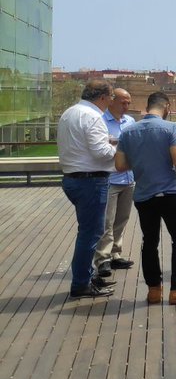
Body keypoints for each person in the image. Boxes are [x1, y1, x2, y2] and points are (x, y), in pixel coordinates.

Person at [114, 91, 176, 306]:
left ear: (148, 107)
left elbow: (120, 165)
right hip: (168, 193)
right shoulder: (171, 128)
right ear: (166, 107)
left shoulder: (128, 131)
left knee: (149, 242)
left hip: (143, 195)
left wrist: (141, 160)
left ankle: (154, 290)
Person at [57, 79, 118, 298]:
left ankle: (86, 277)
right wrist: (122, 148)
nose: (111, 101)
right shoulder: (93, 117)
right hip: (91, 181)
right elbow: (101, 153)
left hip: (73, 178)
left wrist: (108, 141)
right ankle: (81, 284)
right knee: (90, 233)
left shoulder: (70, 113)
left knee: (87, 232)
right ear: (102, 97)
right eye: (111, 97)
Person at [94, 88, 136, 279]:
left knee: (122, 219)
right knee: (106, 222)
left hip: (128, 178)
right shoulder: (100, 121)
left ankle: (115, 254)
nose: (126, 106)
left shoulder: (130, 122)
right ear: (111, 101)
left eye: (128, 102)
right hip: (109, 179)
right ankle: (102, 259)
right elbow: (101, 148)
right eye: (122, 102)